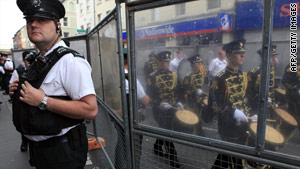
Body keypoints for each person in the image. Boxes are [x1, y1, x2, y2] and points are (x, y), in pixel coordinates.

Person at [10, 0, 98, 168]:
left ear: (58, 26)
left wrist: (43, 100)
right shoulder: (41, 59)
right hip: (41, 150)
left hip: (62, 152)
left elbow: (90, 109)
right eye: (29, 20)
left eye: (41, 19)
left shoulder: (70, 62)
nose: (34, 24)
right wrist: (19, 91)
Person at [208, 40, 249, 169]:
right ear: (229, 55)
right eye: (238, 53)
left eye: (243, 53)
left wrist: (250, 113)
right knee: (237, 161)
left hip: (243, 122)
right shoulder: (219, 78)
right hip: (228, 125)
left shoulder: (244, 76)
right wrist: (233, 112)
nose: (243, 56)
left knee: (226, 157)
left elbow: (245, 98)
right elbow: (214, 104)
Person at [146, 51, 182, 168]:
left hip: (172, 108)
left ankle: (157, 147)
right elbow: (149, 96)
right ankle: (173, 158)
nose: (167, 63)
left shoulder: (174, 75)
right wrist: (159, 103)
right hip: (159, 109)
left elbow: (177, 91)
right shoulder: (152, 76)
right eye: (164, 61)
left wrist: (179, 102)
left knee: (165, 129)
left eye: (168, 61)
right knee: (167, 132)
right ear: (159, 62)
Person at [9, 51, 34, 152]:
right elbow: (11, 84)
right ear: (24, 61)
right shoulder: (18, 71)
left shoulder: (40, 70)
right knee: (23, 122)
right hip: (22, 102)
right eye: (28, 61)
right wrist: (12, 88)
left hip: (35, 102)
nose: (30, 63)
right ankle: (24, 142)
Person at [246, 46, 278, 116]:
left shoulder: (272, 70)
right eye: (271, 57)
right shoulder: (254, 73)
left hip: (270, 105)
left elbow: (271, 88)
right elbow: (249, 93)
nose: (274, 59)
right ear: (262, 58)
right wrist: (261, 98)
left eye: (274, 57)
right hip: (257, 107)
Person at [182, 54, 207, 136]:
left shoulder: (201, 73)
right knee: (194, 116)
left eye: (199, 62)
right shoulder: (188, 76)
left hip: (200, 98)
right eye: (197, 63)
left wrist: (202, 92)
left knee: (200, 115)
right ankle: (196, 133)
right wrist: (195, 91)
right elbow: (186, 90)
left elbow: (203, 83)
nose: (199, 64)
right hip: (192, 99)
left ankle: (196, 130)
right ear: (192, 65)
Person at [282, 47, 300, 131]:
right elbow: (286, 81)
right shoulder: (293, 64)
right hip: (293, 96)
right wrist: (296, 90)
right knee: (293, 115)